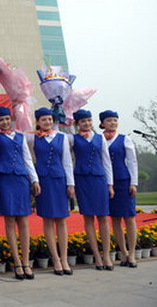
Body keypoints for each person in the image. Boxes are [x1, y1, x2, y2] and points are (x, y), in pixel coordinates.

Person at [0, 104, 40, 280]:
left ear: (11, 119)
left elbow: (27, 159)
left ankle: (26, 261)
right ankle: (17, 262)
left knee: (24, 220)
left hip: (21, 180)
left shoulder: (20, 137)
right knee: (10, 220)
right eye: (0, 120)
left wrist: (34, 179)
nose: (4, 122)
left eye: (7, 119)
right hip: (5, 181)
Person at [24, 108, 74, 276]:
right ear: (37, 122)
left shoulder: (62, 138)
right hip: (43, 181)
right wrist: (19, 107)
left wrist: (70, 184)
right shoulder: (32, 137)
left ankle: (65, 258)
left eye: (50, 119)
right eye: (43, 120)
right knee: (47, 220)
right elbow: (16, 131)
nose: (47, 122)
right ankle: (56, 259)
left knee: (61, 220)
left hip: (59, 181)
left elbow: (67, 161)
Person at [67, 109, 114, 270]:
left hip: (99, 179)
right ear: (77, 124)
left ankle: (106, 255)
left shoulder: (100, 138)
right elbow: (60, 136)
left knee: (102, 217)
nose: (86, 123)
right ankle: (96, 256)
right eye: (83, 121)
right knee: (88, 218)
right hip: (82, 180)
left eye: (88, 120)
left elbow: (107, 162)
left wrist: (110, 184)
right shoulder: (73, 139)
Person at [100, 110, 139, 268]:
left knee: (129, 218)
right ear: (102, 123)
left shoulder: (124, 139)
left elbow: (132, 161)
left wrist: (133, 182)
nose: (113, 123)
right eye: (109, 121)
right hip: (107, 183)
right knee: (115, 218)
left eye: (115, 120)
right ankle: (123, 252)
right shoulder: (100, 139)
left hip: (123, 181)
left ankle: (132, 253)